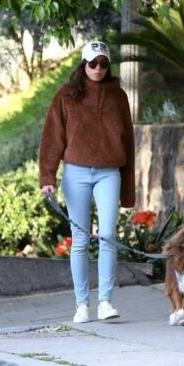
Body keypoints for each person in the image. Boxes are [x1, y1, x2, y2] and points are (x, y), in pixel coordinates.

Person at [39, 41, 135, 323]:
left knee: (108, 235)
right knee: (79, 240)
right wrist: (47, 176)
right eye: (93, 63)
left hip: (109, 172)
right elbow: (52, 139)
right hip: (76, 173)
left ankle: (105, 301)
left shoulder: (119, 97)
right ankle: (82, 304)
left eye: (103, 63)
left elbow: (128, 143)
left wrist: (128, 190)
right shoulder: (66, 96)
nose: (98, 69)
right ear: (83, 65)